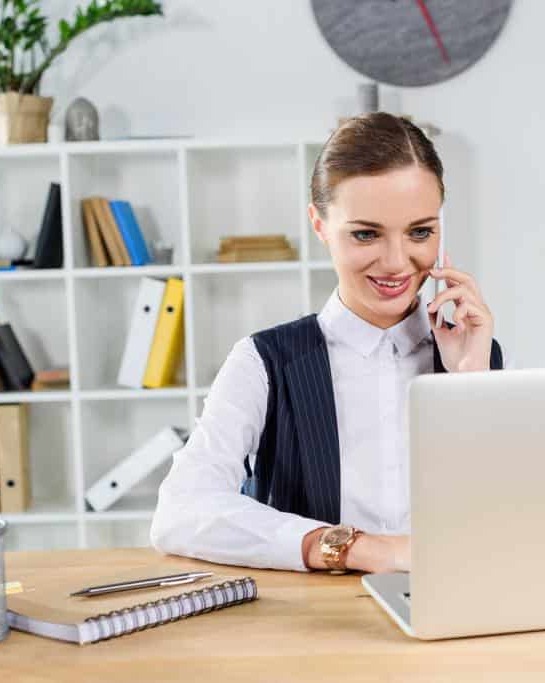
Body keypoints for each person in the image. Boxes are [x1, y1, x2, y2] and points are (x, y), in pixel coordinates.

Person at [151, 112, 503, 574]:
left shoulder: (482, 358)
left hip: (452, 610)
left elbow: (504, 524)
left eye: (420, 232)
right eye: (365, 233)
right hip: (311, 624)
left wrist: (469, 387)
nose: (398, 262)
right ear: (319, 225)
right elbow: (180, 512)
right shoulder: (265, 362)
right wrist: (356, 548)